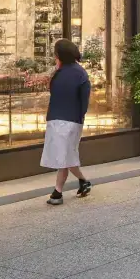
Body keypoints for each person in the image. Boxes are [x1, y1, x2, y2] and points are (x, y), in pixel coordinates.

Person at [42, 39, 92, 204]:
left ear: (59, 55)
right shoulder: (81, 74)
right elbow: (84, 102)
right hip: (71, 120)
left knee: (63, 156)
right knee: (65, 155)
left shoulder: (58, 74)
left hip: (57, 119)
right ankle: (83, 181)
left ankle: (57, 193)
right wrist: (80, 118)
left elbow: (53, 95)